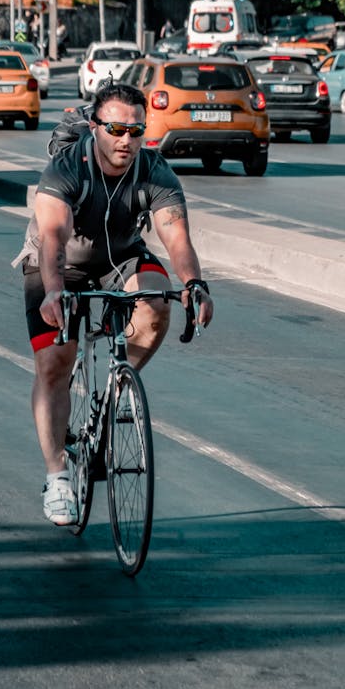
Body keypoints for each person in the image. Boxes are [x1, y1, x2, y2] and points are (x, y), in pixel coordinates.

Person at [14, 81, 214, 526]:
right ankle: (57, 477)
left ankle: (114, 391)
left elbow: (175, 236)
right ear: (94, 127)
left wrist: (194, 283)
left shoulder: (154, 170)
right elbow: (53, 237)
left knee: (158, 306)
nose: (126, 140)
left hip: (120, 257)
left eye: (136, 130)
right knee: (54, 363)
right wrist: (52, 293)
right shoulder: (67, 168)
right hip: (56, 265)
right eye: (116, 129)